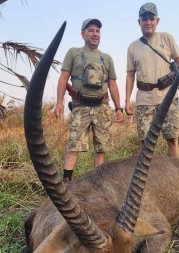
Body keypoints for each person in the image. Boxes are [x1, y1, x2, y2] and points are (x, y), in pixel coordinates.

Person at [55, 18, 123, 181]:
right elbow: (63, 78)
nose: (95, 34)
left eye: (97, 31)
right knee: (74, 146)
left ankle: (97, 182)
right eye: (91, 30)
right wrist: (59, 103)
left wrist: (118, 108)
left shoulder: (106, 58)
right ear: (82, 34)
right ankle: (67, 181)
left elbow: (112, 84)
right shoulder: (73, 53)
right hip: (81, 106)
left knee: (101, 147)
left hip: (102, 107)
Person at [125, 3, 179, 158]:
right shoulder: (132, 47)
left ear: (157, 21)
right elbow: (130, 75)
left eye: (151, 18)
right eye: (144, 19)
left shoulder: (167, 38)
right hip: (144, 99)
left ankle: (175, 177)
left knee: (172, 139)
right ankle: (147, 179)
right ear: (139, 22)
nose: (148, 22)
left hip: (168, 98)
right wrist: (127, 100)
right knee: (145, 142)